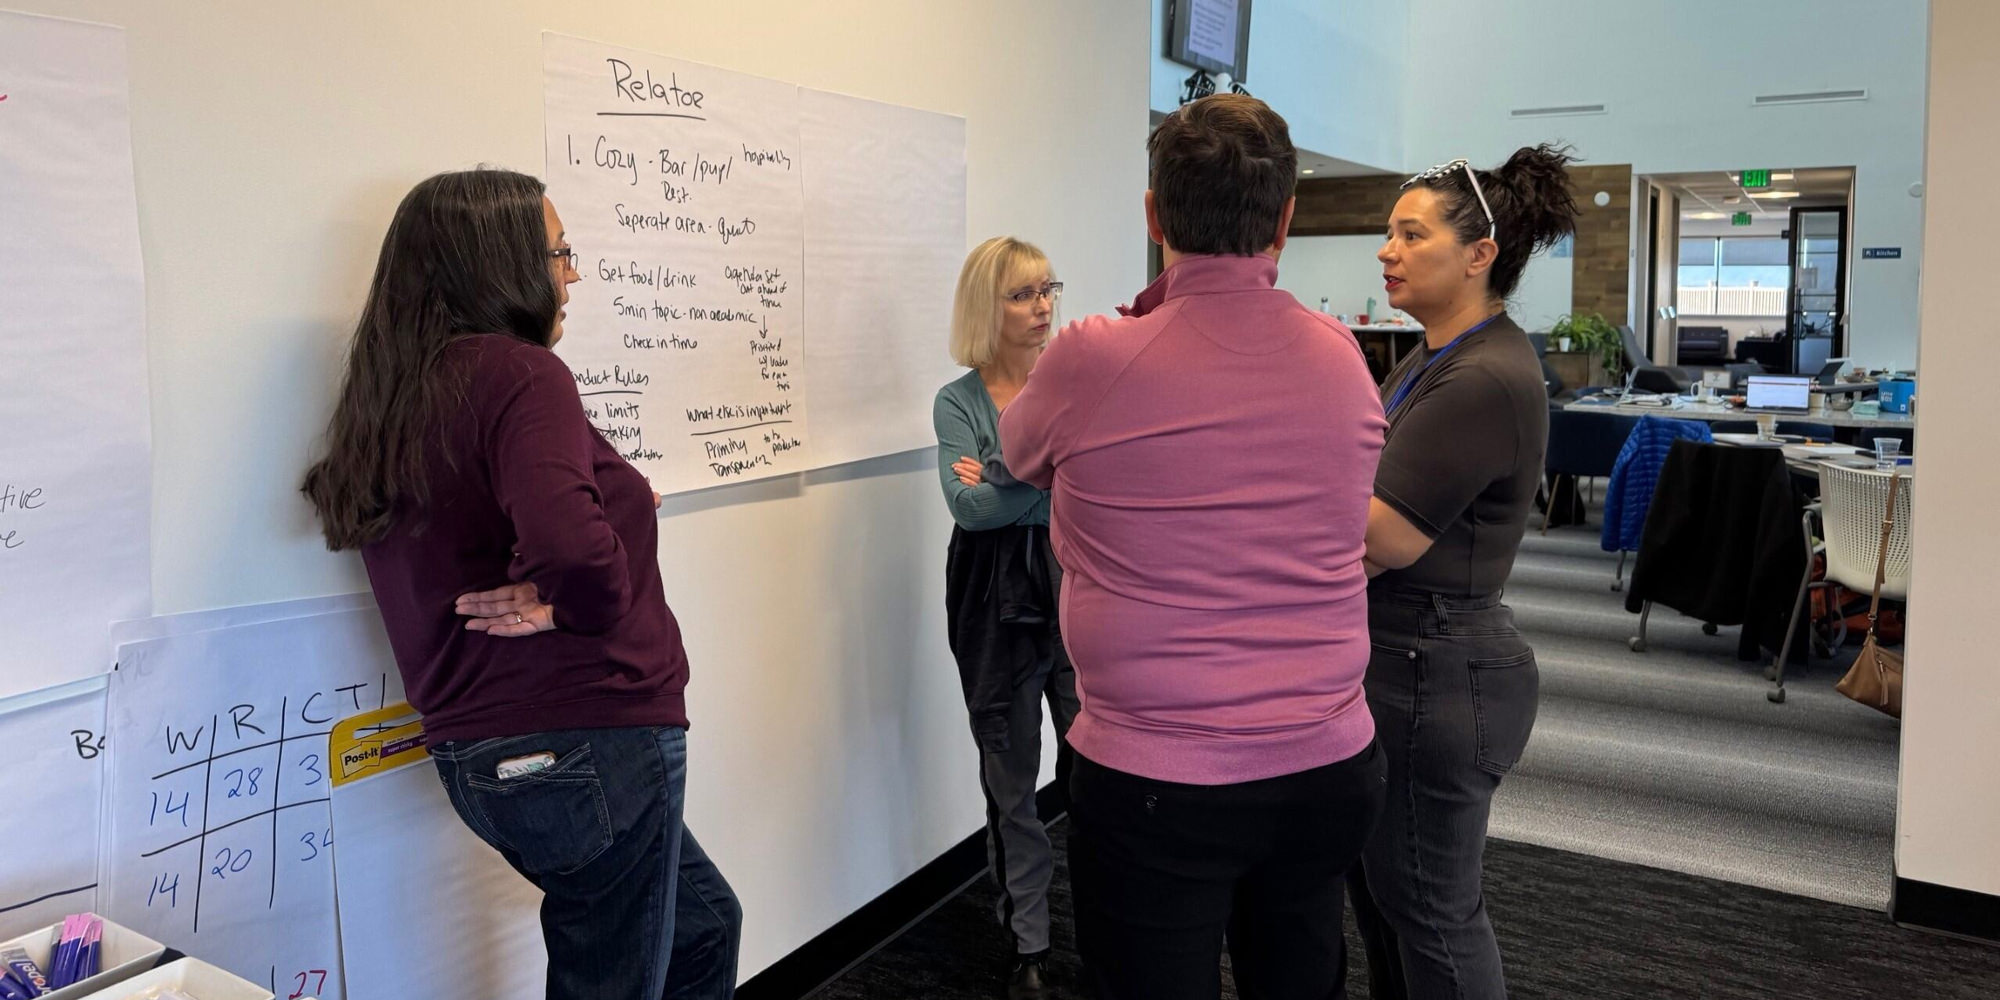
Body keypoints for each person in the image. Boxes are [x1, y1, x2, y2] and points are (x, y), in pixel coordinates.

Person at [301, 168, 742, 1000]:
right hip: (588, 741)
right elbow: (571, 553)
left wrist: (610, 513)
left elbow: (497, 526)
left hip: (482, 756)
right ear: (498, 262)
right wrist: (580, 593)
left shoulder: (397, 390)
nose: (571, 274)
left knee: (703, 929)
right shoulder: (521, 373)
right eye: (559, 251)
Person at [999, 94, 1388, 1000]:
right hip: (1326, 767)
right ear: (1286, 221)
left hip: (1155, 780)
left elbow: (1019, 453)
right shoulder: (1342, 356)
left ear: (1152, 215)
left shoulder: (1095, 353)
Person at [1347, 146, 1580, 1000]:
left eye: (1411, 234)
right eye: (1388, 232)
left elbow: (1383, 536)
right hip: (1408, 656)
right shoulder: (1436, 356)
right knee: (1390, 899)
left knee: (1431, 911)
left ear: (1479, 254)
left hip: (1433, 667)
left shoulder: (1483, 374)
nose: (1387, 250)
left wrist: (1276, 499)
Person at [934, 235, 1080, 1000]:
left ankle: (1111, 921)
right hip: (991, 601)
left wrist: (1002, 472)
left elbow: (1091, 488)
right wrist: (1044, 472)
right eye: (1023, 294)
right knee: (1012, 779)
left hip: (1076, 584)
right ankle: (1028, 943)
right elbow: (970, 509)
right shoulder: (956, 402)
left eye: (1047, 289)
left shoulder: (1071, 382)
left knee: (1096, 768)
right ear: (987, 308)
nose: (1043, 307)